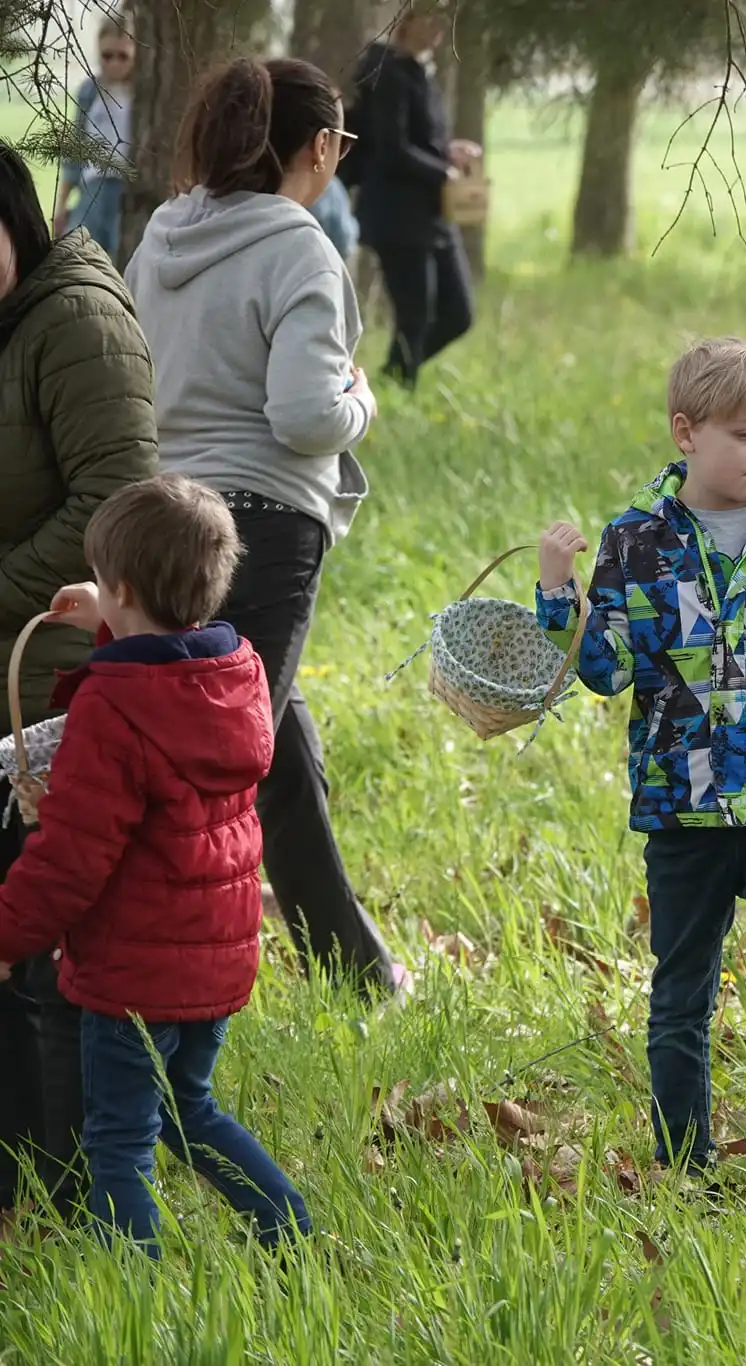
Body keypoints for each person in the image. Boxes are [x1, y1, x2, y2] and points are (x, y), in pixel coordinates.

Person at [533, 339, 746, 1186]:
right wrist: (557, 589)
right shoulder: (638, 542)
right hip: (684, 805)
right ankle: (685, 1159)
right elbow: (603, 669)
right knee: (681, 989)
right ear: (687, 433)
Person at [125, 58, 405, 999]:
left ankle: (356, 971)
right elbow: (304, 416)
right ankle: (153, 976)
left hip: (161, 522)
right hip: (262, 530)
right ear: (320, 147)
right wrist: (359, 401)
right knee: (227, 755)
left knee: (274, 741)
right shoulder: (300, 245)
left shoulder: (165, 230)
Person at [0, 476, 313, 1256]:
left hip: (134, 974)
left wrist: (6, 937)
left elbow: (70, 860)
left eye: (108, 587)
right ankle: (289, 1228)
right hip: (212, 966)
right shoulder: (235, 672)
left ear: (125, 589)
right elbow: (159, 667)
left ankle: (129, 1294)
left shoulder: (110, 711)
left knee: (120, 1145)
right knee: (190, 1111)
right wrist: (113, 610)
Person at [0, 138, 156, 1224]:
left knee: (40, 950)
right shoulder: (15, 314)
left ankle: (58, 1184)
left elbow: (117, 496)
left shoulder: (76, 321)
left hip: (50, 678)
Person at [348, 3, 479, 388]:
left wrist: (449, 152)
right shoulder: (386, 72)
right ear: (406, 21)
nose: (440, 28)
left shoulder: (422, 70)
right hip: (398, 216)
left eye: (444, 19)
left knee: (458, 314)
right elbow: (392, 150)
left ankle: (392, 378)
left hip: (432, 212)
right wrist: (446, 170)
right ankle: (396, 387)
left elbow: (420, 141)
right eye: (431, 18)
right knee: (415, 316)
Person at [52, 21, 135, 258]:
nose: (115, 63)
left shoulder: (142, 95)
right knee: (78, 257)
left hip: (127, 190)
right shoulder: (89, 92)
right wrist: (62, 206)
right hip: (93, 186)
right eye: (107, 56)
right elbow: (75, 151)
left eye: (123, 56)